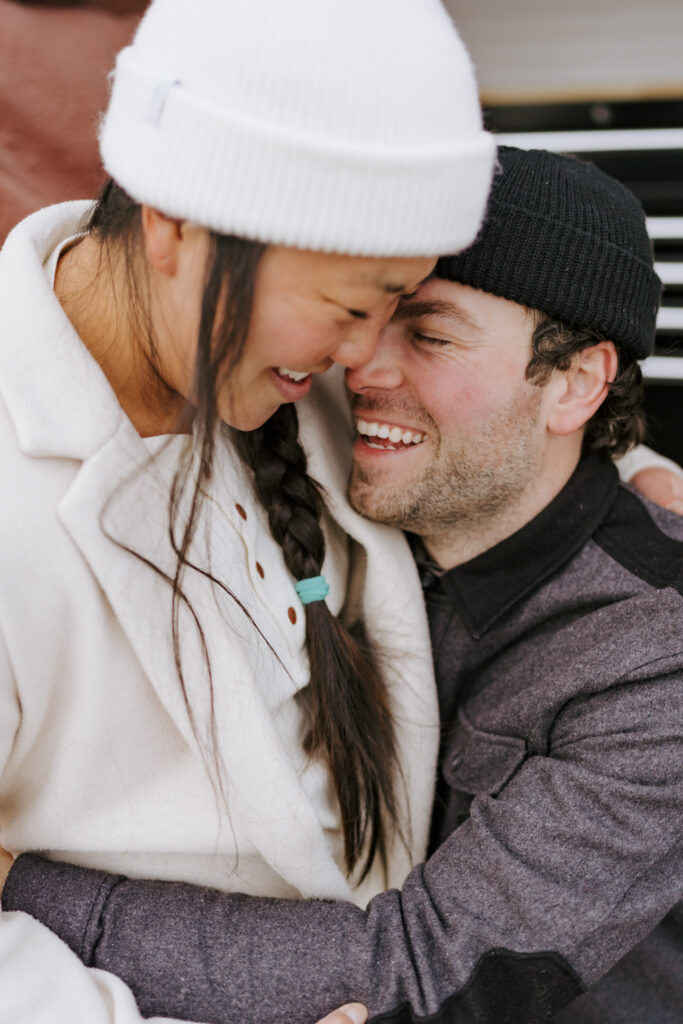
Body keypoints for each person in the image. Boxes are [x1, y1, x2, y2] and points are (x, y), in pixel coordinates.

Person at [7, 147, 681, 1024]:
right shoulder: (345, 453)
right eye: (364, 312)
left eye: (428, 334)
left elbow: (413, 965)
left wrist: (26, 886)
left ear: (578, 382)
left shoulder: (646, 659)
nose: (360, 367)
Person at [0, 0, 498, 1020]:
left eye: (396, 307)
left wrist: (632, 476)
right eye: (349, 307)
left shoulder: (274, 371)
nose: (365, 360)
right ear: (176, 219)